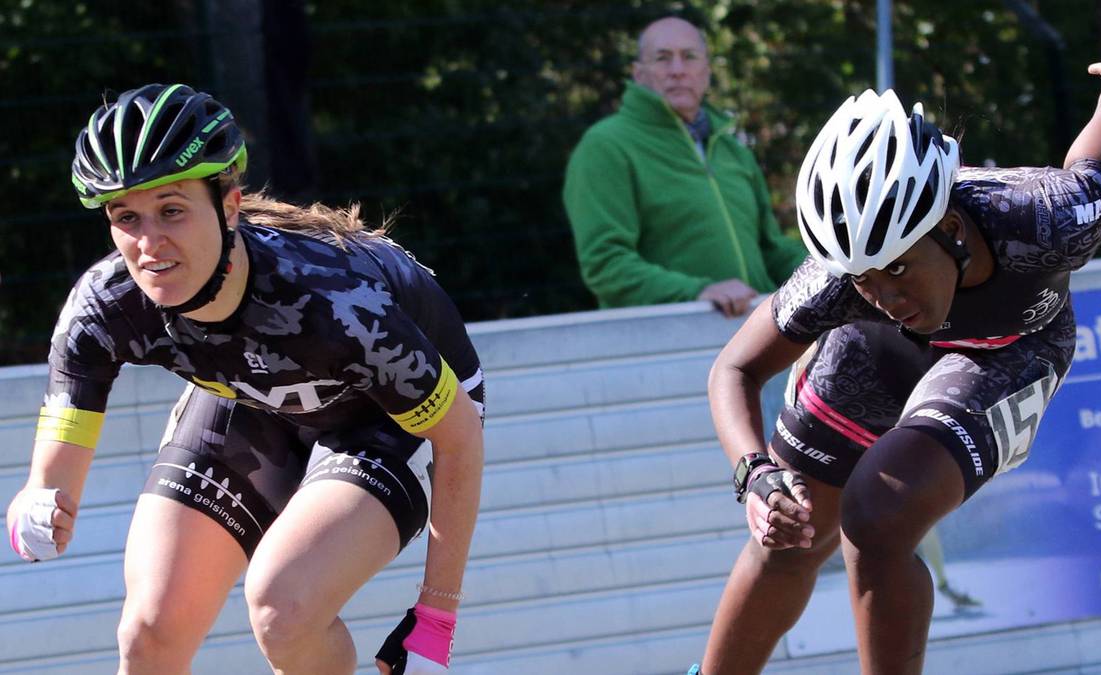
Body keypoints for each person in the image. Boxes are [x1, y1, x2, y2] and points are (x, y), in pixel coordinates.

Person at [692, 13, 1101, 675]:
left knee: (879, 515)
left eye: (897, 266)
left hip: (1009, 348)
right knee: (790, 536)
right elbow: (736, 368)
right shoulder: (839, 283)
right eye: (864, 278)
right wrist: (755, 475)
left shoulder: (1047, 218)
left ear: (950, 226)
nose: (886, 292)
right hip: (872, 356)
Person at [5, 83, 485, 675]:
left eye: (173, 211)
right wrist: (37, 499)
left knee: (283, 608)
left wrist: (436, 615)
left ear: (229, 206)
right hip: (257, 394)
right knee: (149, 631)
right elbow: (53, 471)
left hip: (378, 414)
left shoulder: (335, 305)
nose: (149, 245)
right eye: (126, 217)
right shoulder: (104, 306)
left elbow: (459, 437)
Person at [563, 16, 808, 318]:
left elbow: (771, 249)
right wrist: (698, 293)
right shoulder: (605, 146)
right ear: (638, 73)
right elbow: (606, 265)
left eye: (689, 57)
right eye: (662, 58)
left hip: (758, 335)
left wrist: (832, 270)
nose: (677, 70)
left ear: (706, 71)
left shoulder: (733, 149)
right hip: (667, 344)